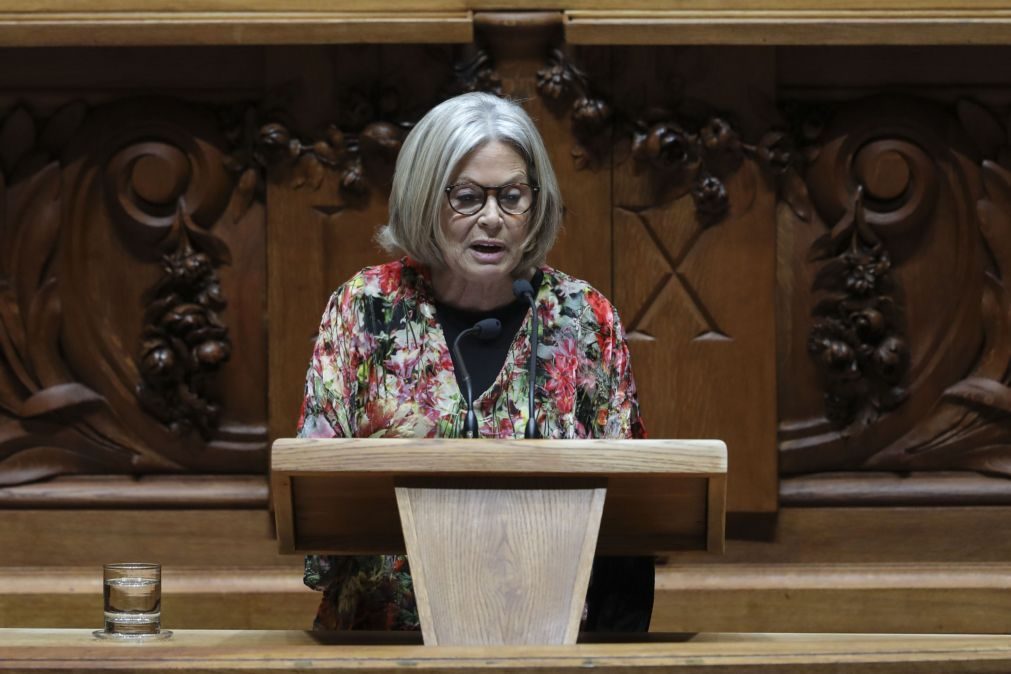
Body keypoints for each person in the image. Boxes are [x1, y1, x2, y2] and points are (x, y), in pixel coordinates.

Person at [297, 91, 653, 632]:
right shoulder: (364, 309)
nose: (492, 218)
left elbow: (630, 517)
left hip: (546, 645)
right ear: (424, 197)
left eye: (512, 196)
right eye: (466, 197)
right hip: (381, 644)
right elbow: (315, 501)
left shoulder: (582, 319)